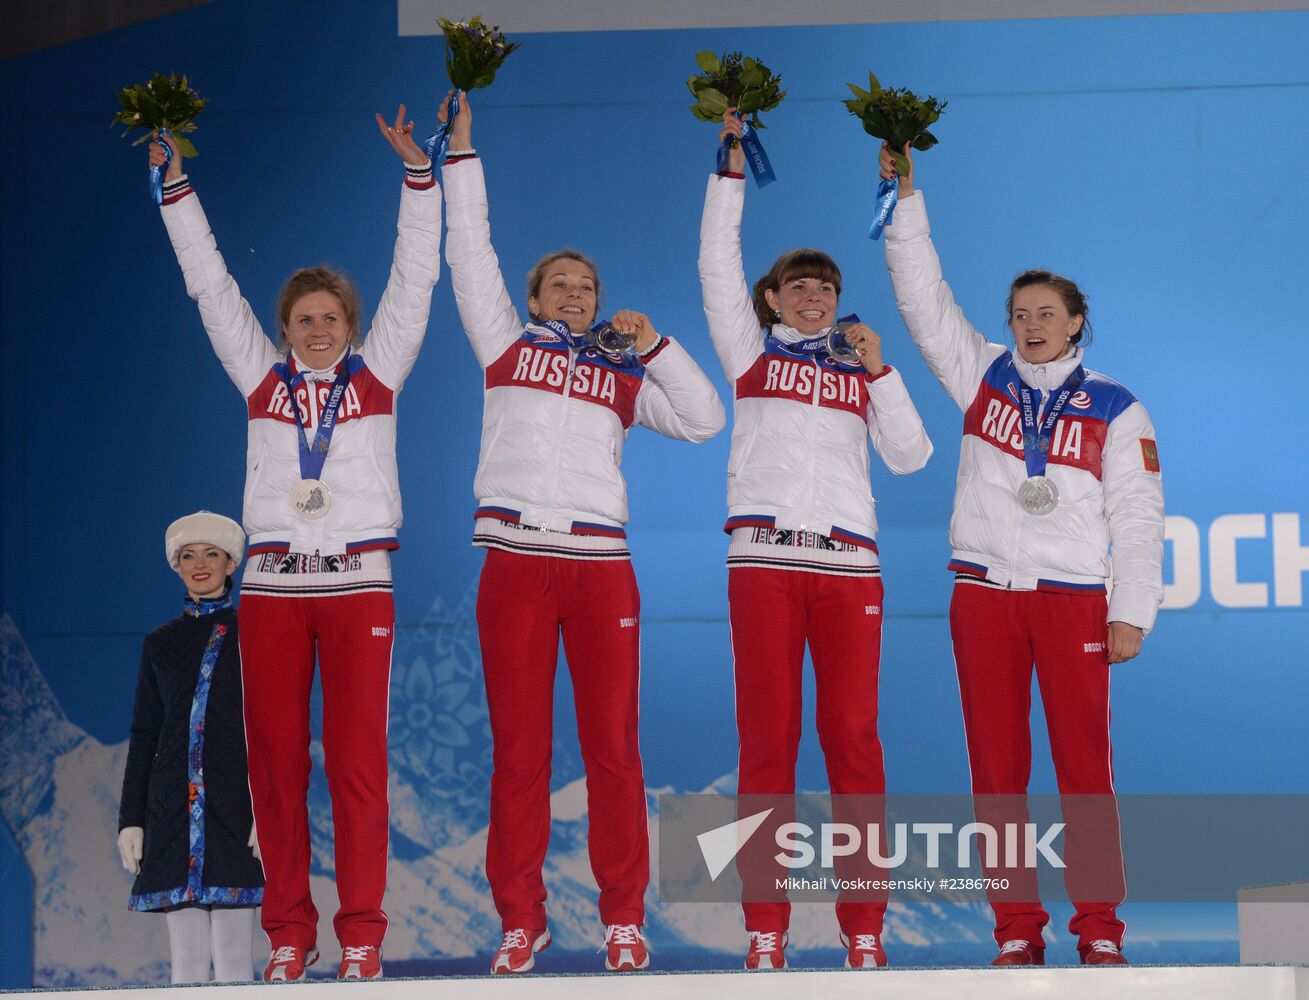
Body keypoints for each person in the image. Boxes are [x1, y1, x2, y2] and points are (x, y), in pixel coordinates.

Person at [147, 105, 442, 982]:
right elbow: (208, 285)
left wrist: (418, 181)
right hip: (274, 588)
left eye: (331, 317)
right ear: (284, 327)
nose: (319, 329)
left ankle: (359, 935)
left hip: (358, 584)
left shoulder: (381, 374)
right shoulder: (258, 377)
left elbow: (416, 278)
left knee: (355, 768)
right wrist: (173, 189)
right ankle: (288, 934)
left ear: (352, 324)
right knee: (274, 772)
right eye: (304, 318)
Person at [437, 92, 726, 975]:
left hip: (601, 569)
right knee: (520, 755)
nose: (575, 293)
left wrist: (656, 344)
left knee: (613, 751)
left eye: (587, 285)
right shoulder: (502, 344)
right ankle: (520, 919)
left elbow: (707, 420)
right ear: (531, 298)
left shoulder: (621, 373)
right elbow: (468, 252)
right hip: (516, 563)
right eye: (559, 283)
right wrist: (461, 155)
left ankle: (622, 918)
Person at [880, 141, 1165, 967]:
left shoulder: (1116, 405)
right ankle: (1014, 932)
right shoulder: (981, 376)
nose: (1031, 326)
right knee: (995, 775)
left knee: (1084, 771)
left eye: (1046, 313)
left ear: (1076, 320)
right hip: (983, 595)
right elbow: (920, 300)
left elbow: (1139, 514)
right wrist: (905, 201)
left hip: (1073, 598)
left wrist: (1130, 609)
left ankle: (1100, 931)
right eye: (1019, 314)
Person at [698, 111, 934, 971]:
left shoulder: (859, 369)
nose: (813, 298)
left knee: (853, 743)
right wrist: (728, 168)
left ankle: (864, 931)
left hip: (847, 569)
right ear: (770, 299)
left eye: (825, 288)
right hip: (762, 563)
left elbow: (911, 458)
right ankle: (765, 929)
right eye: (798, 287)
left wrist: (881, 370)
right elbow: (714, 266)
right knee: (766, 746)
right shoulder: (746, 352)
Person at [118, 511, 262, 984]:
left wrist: (270, 809)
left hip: (234, 809)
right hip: (171, 815)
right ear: (176, 565)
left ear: (231, 563)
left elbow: (271, 730)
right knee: (186, 966)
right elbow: (145, 735)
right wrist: (131, 819)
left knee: (236, 962)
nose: (200, 564)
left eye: (211, 554)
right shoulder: (160, 643)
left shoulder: (256, 636)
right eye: (188, 555)